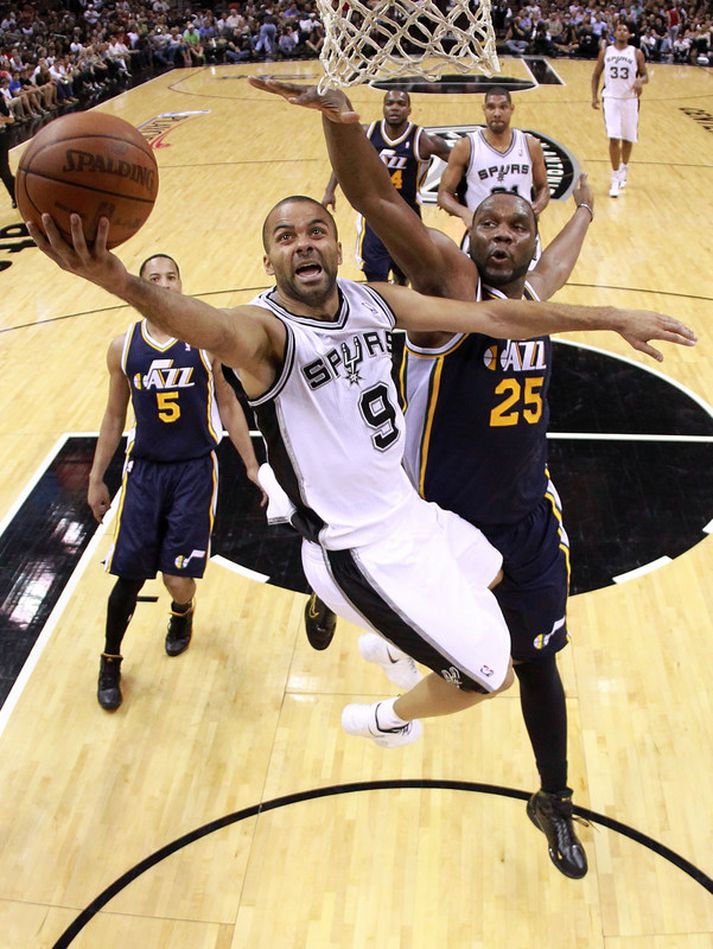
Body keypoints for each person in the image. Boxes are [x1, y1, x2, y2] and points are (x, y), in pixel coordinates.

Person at [28, 188, 693, 766]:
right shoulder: (265, 334)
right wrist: (120, 282)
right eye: (284, 237)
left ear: (339, 249)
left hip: (408, 512)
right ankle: (385, 718)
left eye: (316, 231)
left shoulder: (372, 302)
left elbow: (495, 315)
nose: (303, 244)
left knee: (496, 574)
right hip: (355, 546)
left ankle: (400, 643)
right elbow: (210, 327)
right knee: (490, 680)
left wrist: (612, 317)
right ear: (267, 262)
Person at [247, 78, 688, 880]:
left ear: (529, 236)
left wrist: (585, 209)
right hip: (427, 515)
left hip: (522, 518)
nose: (500, 232)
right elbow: (373, 200)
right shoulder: (450, 286)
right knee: (393, 589)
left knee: (538, 659)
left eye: (516, 223)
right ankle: (334, 597)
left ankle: (551, 797)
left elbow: (555, 263)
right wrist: (343, 122)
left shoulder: (535, 290)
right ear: (465, 229)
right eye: (485, 219)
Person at [87, 253, 264, 711]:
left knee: (177, 578)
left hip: (194, 470)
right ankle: (110, 660)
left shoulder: (204, 343)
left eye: (170, 277)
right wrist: (95, 478)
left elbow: (228, 405)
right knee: (126, 577)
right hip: (144, 471)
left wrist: (250, 464)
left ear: (181, 284)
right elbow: (112, 417)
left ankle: (182, 611)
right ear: (141, 288)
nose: (164, 284)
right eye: (153, 278)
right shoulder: (123, 347)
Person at [322, 90, 451, 284]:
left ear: (409, 109)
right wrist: (329, 191)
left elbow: (458, 162)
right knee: (375, 275)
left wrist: (449, 190)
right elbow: (346, 160)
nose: (394, 108)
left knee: (406, 271)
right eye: (390, 103)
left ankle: (400, 297)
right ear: (383, 106)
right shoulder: (368, 133)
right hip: (375, 215)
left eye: (400, 104)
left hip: (408, 215)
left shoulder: (422, 140)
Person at [437, 86, 549, 251]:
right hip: (483, 235)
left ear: (511, 109)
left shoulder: (531, 145)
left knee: (532, 277)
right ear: (484, 109)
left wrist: (538, 205)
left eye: (503, 107)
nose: (497, 113)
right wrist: (465, 213)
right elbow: (444, 194)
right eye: (491, 107)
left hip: (521, 235)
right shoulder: (466, 146)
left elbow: (543, 188)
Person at [592, 21, 649, 197]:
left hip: (630, 100)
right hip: (610, 99)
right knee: (614, 138)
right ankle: (615, 177)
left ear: (630, 34)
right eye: (619, 29)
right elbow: (595, 75)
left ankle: (624, 167)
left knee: (628, 138)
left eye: (625, 30)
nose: (622, 32)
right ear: (614, 33)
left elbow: (645, 74)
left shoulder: (636, 53)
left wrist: (641, 80)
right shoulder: (606, 52)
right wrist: (594, 97)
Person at [0, 92, 16, 208]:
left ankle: (15, 196)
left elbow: (11, 120)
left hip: (1, 137)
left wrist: (2, 119)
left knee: (3, 170)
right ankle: (16, 186)